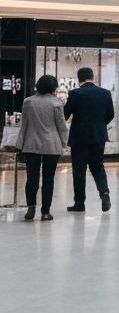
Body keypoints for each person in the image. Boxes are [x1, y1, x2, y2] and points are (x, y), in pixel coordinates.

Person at [16, 74, 69, 221]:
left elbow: (24, 125)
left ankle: (31, 208)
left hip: (31, 144)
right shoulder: (56, 103)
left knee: (31, 178)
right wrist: (64, 144)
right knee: (48, 179)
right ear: (53, 87)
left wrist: (20, 144)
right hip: (51, 145)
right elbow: (61, 126)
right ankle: (45, 212)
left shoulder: (28, 102)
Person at [64, 66, 115, 213]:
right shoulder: (105, 93)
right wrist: (99, 124)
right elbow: (110, 114)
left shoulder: (75, 93)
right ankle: (104, 193)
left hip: (79, 137)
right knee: (98, 166)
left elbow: (65, 114)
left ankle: (79, 203)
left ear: (78, 78)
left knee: (79, 170)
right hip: (98, 136)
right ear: (92, 77)